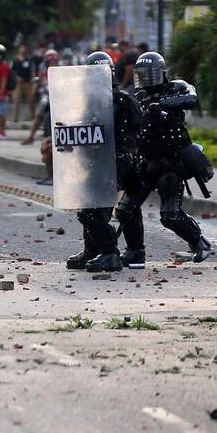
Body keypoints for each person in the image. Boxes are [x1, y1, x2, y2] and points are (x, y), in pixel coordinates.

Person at [115, 51, 211, 267]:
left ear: (160, 73)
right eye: (142, 74)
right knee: (125, 209)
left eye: (150, 74)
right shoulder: (138, 98)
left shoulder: (176, 87)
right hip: (146, 162)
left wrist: (164, 105)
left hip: (171, 164)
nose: (146, 79)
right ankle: (135, 252)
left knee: (170, 215)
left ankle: (199, 242)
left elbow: (192, 98)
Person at [66, 51, 142, 273]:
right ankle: (94, 251)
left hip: (116, 163)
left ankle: (109, 254)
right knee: (97, 207)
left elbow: (134, 130)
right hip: (104, 162)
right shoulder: (99, 101)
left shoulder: (118, 101)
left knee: (89, 210)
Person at [11, 44, 35, 122]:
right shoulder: (15, 59)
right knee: (16, 100)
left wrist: (32, 80)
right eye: (22, 48)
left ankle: (33, 116)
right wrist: (16, 78)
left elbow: (31, 70)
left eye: (24, 48)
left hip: (27, 82)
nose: (23, 50)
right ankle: (15, 118)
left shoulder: (28, 59)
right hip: (18, 83)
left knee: (30, 100)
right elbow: (12, 71)